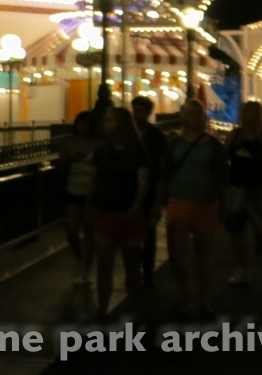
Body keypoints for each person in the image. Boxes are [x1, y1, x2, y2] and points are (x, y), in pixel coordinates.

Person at [159, 98, 230, 316]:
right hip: (179, 201)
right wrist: (161, 198)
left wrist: (223, 204)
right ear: (185, 117)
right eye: (192, 113)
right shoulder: (175, 143)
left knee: (204, 255)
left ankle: (203, 299)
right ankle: (184, 289)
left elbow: (222, 178)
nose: (196, 118)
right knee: (176, 253)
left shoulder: (213, 145)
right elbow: (164, 172)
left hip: (205, 202)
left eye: (199, 113)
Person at [86, 107, 150, 317]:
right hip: (105, 211)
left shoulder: (137, 151)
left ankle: (133, 308)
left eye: (110, 120)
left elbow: (143, 182)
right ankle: (102, 309)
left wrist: (137, 206)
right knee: (105, 265)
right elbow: (94, 180)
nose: (106, 124)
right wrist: (90, 206)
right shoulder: (102, 150)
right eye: (106, 120)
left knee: (132, 265)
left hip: (129, 213)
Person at [225, 101, 262, 285]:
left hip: (255, 188)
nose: (247, 114)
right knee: (236, 231)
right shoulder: (234, 136)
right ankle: (240, 268)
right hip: (236, 188)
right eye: (245, 110)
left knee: (261, 229)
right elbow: (224, 159)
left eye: (251, 111)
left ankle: (260, 250)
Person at [57, 112, 102, 285]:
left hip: (92, 193)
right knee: (71, 231)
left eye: (87, 124)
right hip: (73, 190)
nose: (83, 127)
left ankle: (86, 270)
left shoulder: (98, 145)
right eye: (80, 124)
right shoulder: (70, 143)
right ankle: (80, 257)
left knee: (89, 233)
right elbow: (60, 164)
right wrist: (69, 157)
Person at [130, 95, 167, 287]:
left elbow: (161, 169)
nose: (138, 115)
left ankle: (147, 272)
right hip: (129, 192)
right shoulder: (128, 135)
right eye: (136, 110)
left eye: (142, 111)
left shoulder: (156, 137)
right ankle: (136, 269)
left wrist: (158, 201)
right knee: (131, 234)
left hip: (150, 192)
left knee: (148, 234)